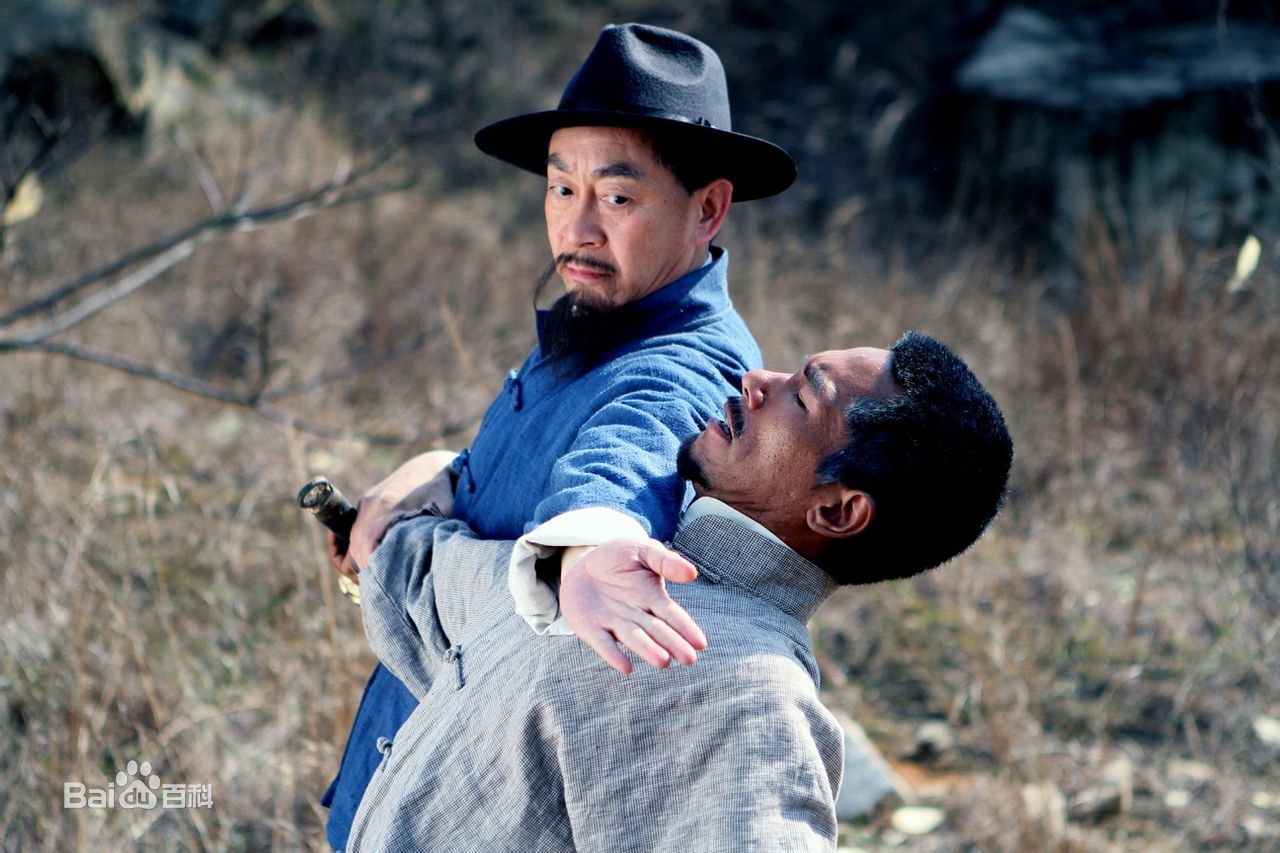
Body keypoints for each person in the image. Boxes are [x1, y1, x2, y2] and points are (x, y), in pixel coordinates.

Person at [321, 23, 797, 849]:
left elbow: (619, 466)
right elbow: (523, 468)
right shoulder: (602, 311)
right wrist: (437, 472)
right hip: (396, 763)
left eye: (616, 198)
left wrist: (583, 553)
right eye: (560, 188)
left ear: (708, 208)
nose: (578, 228)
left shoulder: (689, 369)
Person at [344, 332, 1014, 850]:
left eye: (802, 397)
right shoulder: (605, 568)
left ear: (837, 511)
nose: (756, 381)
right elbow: (447, 588)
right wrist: (413, 497)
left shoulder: (751, 701)